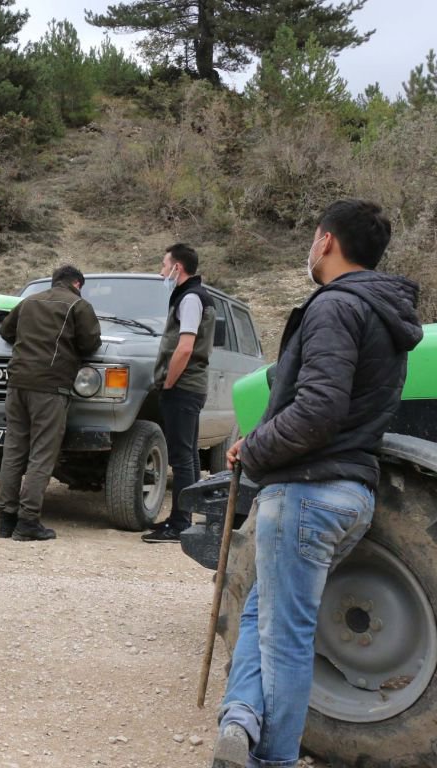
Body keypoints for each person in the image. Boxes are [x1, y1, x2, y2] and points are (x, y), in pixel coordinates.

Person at [210, 200, 423, 768]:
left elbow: (318, 411)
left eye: (312, 238)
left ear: (326, 241)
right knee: (261, 612)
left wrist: (252, 447)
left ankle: (272, 758)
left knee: (286, 640)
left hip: (306, 493)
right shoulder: (387, 314)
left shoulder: (334, 307)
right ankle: (240, 720)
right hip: (352, 494)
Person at [0, 265, 101, 541]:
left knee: (14, 450)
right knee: (42, 454)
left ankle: (5, 520)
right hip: (50, 387)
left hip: (17, 383)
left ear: (54, 282)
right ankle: (28, 521)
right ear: (77, 283)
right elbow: (90, 343)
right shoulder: (78, 305)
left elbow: (6, 331)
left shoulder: (28, 302)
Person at [141, 243, 217, 543]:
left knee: (181, 457)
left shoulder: (191, 298)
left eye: (164, 265)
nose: (162, 271)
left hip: (183, 387)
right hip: (191, 387)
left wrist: (169, 382)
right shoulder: (194, 296)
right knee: (190, 455)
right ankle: (186, 518)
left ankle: (181, 524)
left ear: (178, 268)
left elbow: (185, 346)